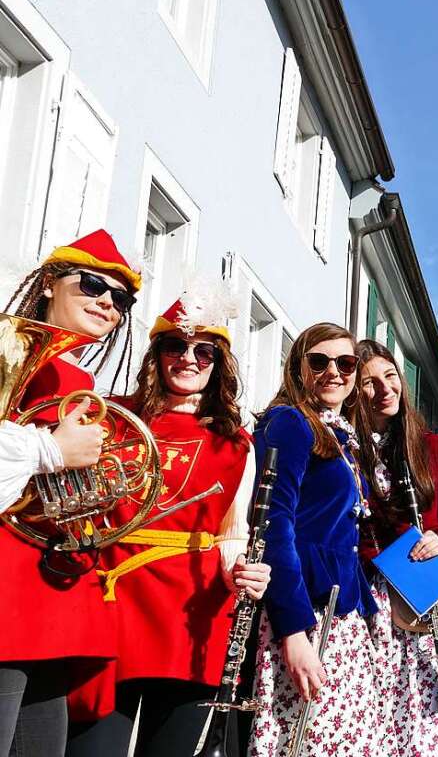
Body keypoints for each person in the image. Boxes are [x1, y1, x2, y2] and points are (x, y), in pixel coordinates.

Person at [64, 291, 271, 756]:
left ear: (219, 363)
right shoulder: (110, 415)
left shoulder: (236, 440)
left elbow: (232, 534)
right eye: (175, 346)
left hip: (191, 610)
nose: (189, 358)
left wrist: (243, 573)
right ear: (156, 354)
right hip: (109, 599)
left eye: (204, 351)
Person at [0, 230, 139, 756]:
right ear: (50, 285)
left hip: (51, 581)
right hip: (6, 581)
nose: (107, 303)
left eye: (121, 299)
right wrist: (52, 451)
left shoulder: (79, 377)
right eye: (92, 285)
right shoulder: (8, 345)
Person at [353, 339, 438, 756]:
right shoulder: (348, 448)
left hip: (427, 589)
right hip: (374, 596)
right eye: (369, 382)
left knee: (436, 717)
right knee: (382, 710)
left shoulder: (437, 447)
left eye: (391, 376)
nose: (385, 389)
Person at [246, 322, 382, 757]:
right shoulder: (290, 422)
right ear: (298, 366)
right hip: (307, 607)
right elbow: (274, 523)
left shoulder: (337, 431)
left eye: (344, 362)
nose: (333, 372)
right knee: (306, 740)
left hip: (339, 606)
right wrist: (294, 629)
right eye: (319, 361)